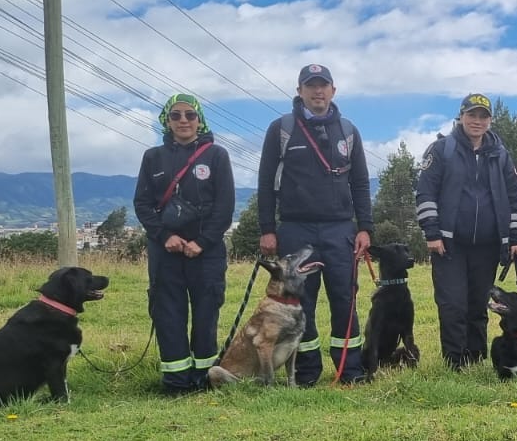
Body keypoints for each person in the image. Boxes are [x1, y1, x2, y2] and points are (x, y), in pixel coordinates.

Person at [256, 63, 372, 385]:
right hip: (296, 228)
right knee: (301, 304)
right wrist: (267, 228)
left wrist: (365, 228)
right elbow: (265, 182)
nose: (317, 91)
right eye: (311, 86)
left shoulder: (348, 131)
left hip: (340, 229)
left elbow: (361, 183)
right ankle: (306, 373)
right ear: (299, 91)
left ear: (333, 91)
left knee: (344, 300)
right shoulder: (281, 129)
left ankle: (350, 372)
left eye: (323, 85)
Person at [133, 92, 235, 395]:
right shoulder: (152, 157)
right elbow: (141, 203)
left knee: (206, 314)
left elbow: (225, 206)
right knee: (168, 314)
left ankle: (203, 380)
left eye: (189, 115)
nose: (183, 121)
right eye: (175, 115)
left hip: (206, 252)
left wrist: (202, 242)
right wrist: (165, 236)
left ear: (199, 119)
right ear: (166, 120)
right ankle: (176, 382)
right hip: (166, 251)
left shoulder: (217, 155)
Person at [415, 93, 517, 369]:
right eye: (472, 115)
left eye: (483, 116)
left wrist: (516, 239)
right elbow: (425, 193)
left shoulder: (500, 154)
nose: (477, 121)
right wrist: (432, 233)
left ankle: (476, 360)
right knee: (453, 305)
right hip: (449, 245)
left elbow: (515, 198)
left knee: (479, 305)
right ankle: (454, 362)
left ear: (490, 120)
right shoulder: (441, 150)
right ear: (461, 117)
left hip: (488, 245)